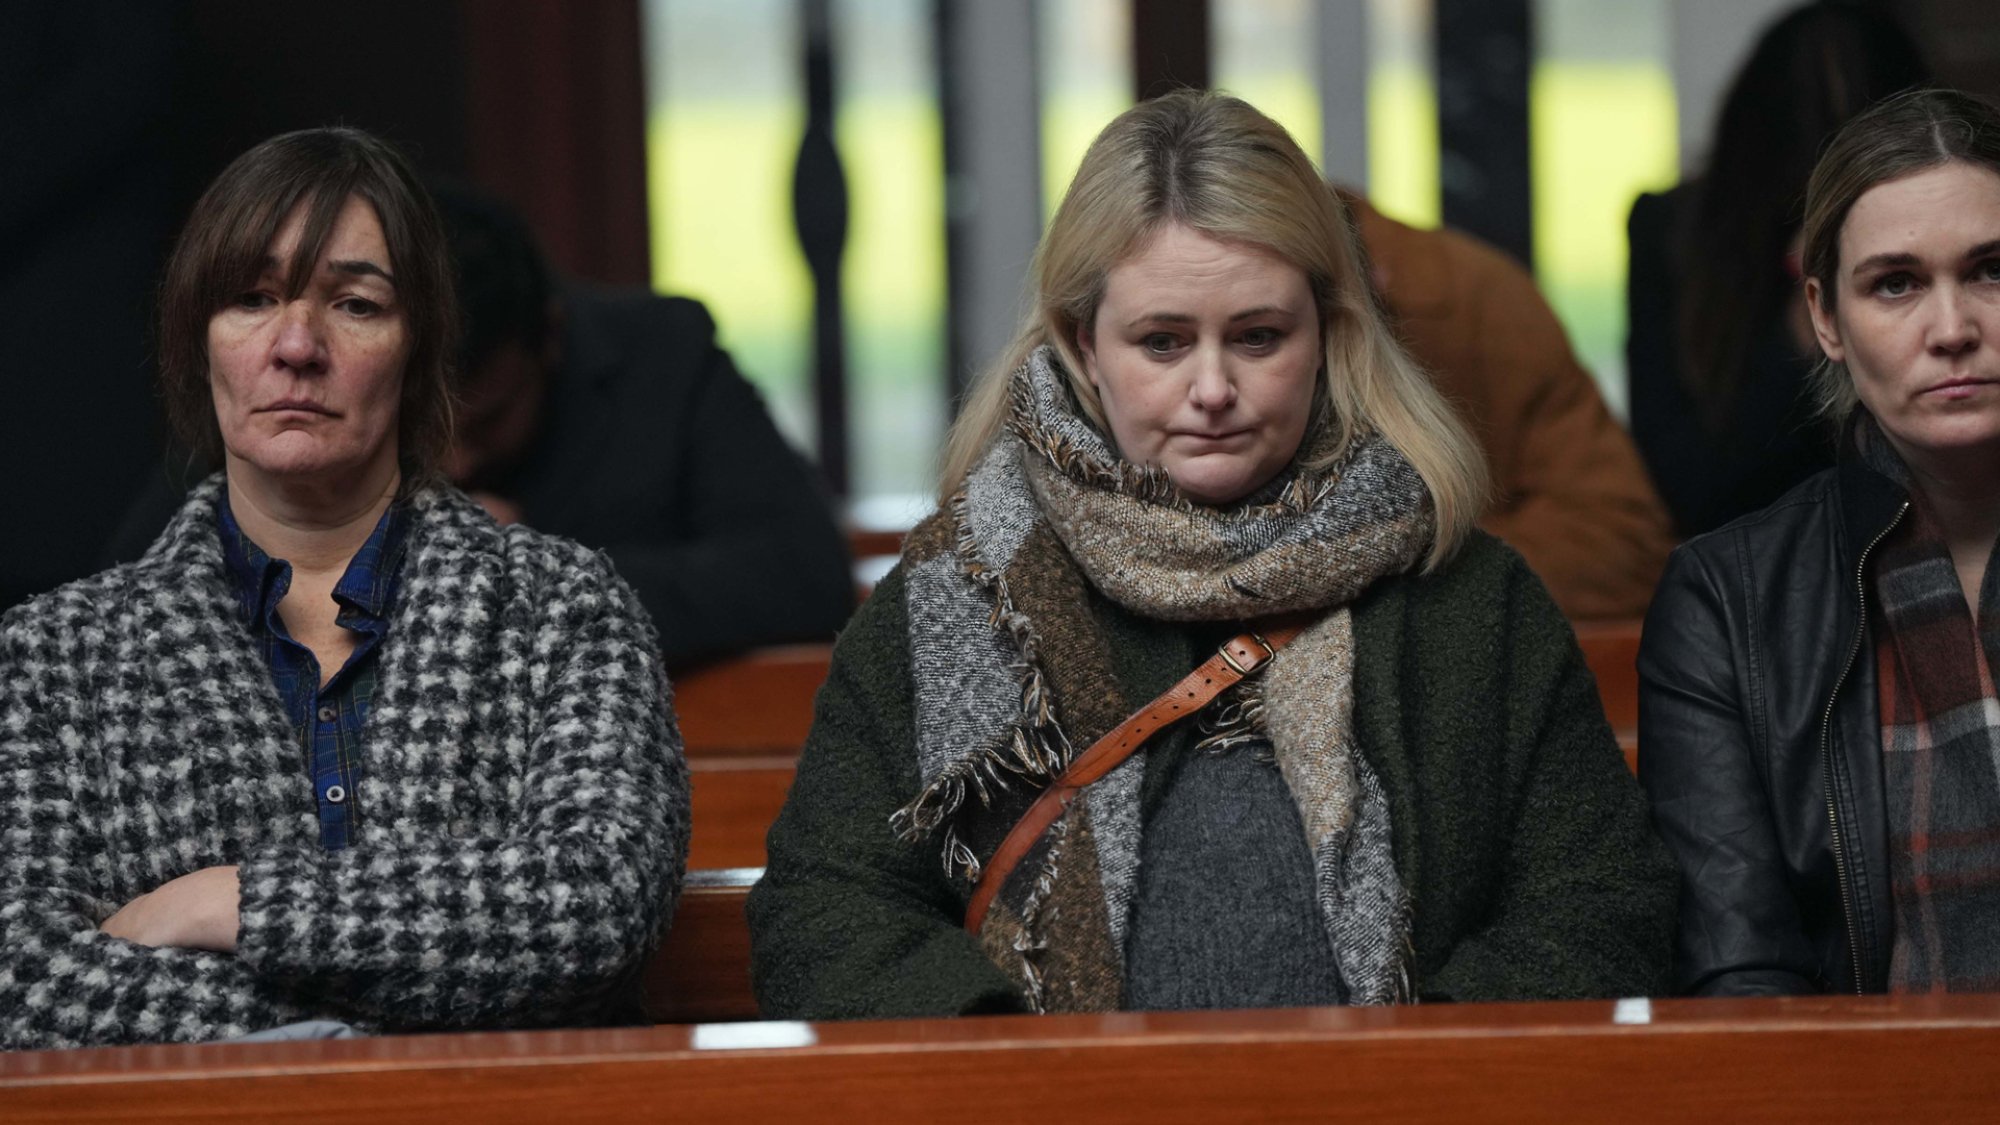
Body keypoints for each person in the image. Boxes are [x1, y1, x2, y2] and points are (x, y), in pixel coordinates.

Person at [747, 90, 1675, 1018]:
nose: (1213, 389)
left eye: (1258, 336)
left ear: (1328, 335)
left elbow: (1602, 902)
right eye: (1162, 341)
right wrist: (1017, 1068)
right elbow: (822, 910)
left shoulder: (1472, 597)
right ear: (1084, 344)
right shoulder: (959, 590)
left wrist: (1405, 1069)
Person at [0, 128, 688, 1050]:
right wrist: (356, 1032)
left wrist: (232, 902)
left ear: (419, 349)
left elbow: (597, 906)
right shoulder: (52, 657)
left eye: (356, 304)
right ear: (197, 343)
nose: (296, 345)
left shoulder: (564, 608)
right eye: (250, 299)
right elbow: (21, 979)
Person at [106, 187, 855, 672]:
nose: (457, 462)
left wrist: (532, 575)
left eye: (487, 421)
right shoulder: (289, 380)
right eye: (423, 427)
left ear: (551, 341)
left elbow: (804, 573)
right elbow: (125, 600)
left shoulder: (663, 357)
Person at [1641, 88, 2000, 996]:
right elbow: (1742, 974)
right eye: (1896, 283)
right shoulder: (1729, 600)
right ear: (1826, 319)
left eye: (1994, 270)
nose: (1953, 329)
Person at [1626, 4, 1929, 538]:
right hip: (1750, 560)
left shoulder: (1944, 230)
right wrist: (1809, 301)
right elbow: (1694, 490)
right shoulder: (1677, 234)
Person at [1346, 190, 1676, 619]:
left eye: (1260, 335)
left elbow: (1620, 543)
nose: (1225, 389)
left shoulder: (1471, 296)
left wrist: (1397, 572)